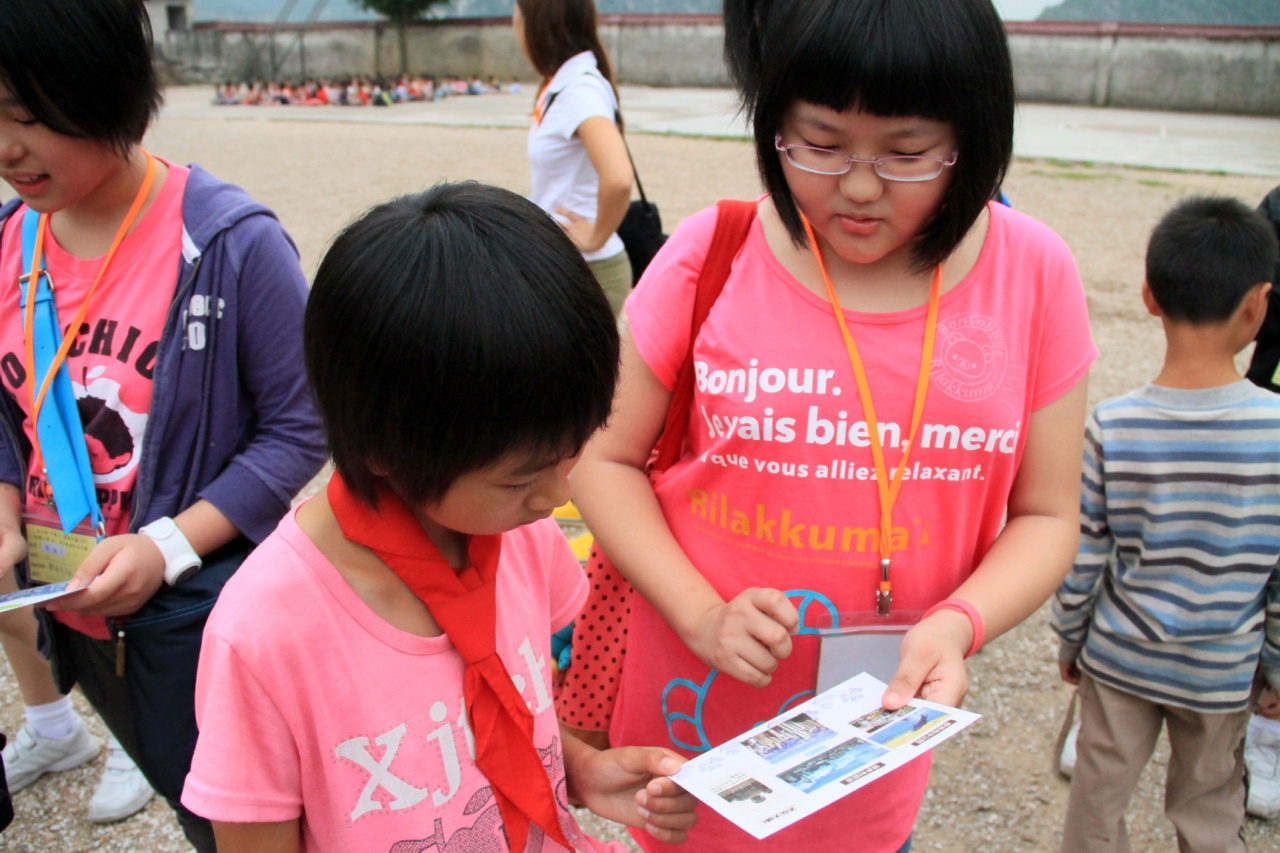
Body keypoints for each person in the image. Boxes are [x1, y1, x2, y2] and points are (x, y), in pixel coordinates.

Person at [568, 0, 1096, 850]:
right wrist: (703, 615)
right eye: (820, 143)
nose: (858, 186)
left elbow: (1047, 513)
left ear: (971, 139)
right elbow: (603, 460)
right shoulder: (714, 253)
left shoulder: (1033, 274)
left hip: (870, 752)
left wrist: (959, 622)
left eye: (906, 152)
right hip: (688, 739)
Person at [181, 181, 697, 851]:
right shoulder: (266, 631)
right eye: (521, 477)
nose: (556, 495)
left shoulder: (519, 535)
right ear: (381, 447)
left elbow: (509, 720)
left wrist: (581, 769)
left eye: (573, 451)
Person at [0, 0, 327, 848]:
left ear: (102, 88)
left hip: (189, 619)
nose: (6, 148)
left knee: (236, 824)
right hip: (72, 609)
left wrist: (168, 545)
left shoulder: (229, 242)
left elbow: (302, 426)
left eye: (26, 115)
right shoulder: (9, 240)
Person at [1051, 195, 1280, 852]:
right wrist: (1275, 667)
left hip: (1120, 656)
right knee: (1209, 803)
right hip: (1222, 667)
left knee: (1097, 796)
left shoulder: (1114, 424)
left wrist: (1071, 638)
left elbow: (1084, 553)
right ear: (1259, 304)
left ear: (1149, 296)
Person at [515, 0, 634, 315]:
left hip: (589, 268)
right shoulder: (564, 85)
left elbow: (619, 178)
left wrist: (595, 237)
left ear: (535, 25)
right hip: (563, 261)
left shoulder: (579, 90)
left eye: (517, 18)